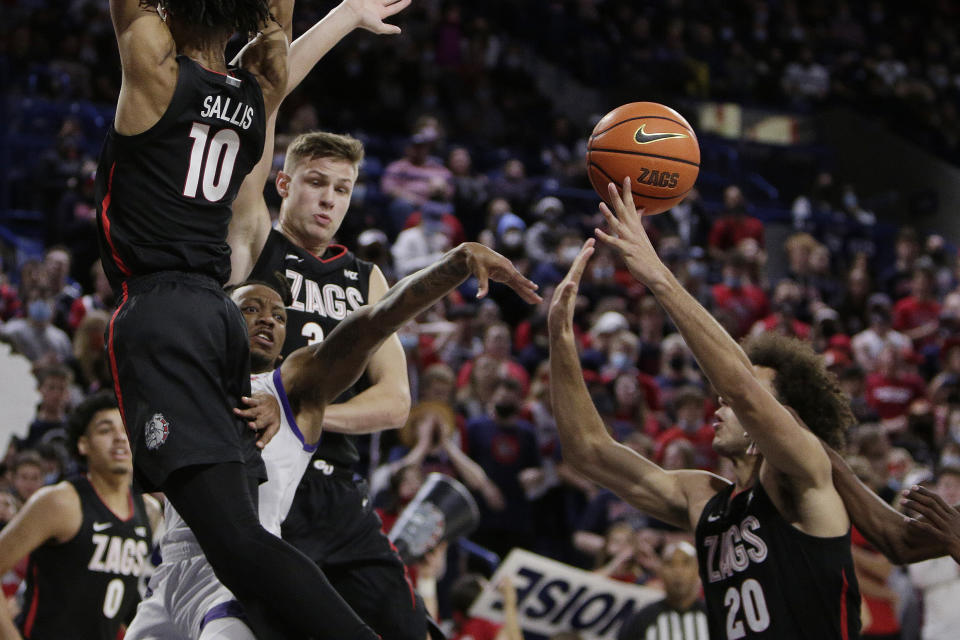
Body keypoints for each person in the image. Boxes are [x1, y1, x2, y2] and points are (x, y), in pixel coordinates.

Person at [93, 1, 399, 637]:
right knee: (239, 544)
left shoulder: (153, 71)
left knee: (237, 544)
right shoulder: (254, 88)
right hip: (217, 315)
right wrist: (342, 14)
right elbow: (278, 32)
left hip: (162, 310)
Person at [125, 242, 540, 639]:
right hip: (166, 575)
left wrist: (455, 264)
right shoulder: (193, 384)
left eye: (279, 315)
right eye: (251, 308)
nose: (268, 319)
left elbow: (374, 321)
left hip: (233, 577)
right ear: (221, 319)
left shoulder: (293, 386)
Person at [550, 178, 862, 639]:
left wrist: (656, 273)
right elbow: (588, 451)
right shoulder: (704, 499)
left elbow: (739, 387)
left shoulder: (805, 473)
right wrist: (560, 339)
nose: (722, 401)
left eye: (751, 399)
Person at [0, 392, 160, 639]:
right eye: (106, 430)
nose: (119, 438)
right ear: (83, 444)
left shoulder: (148, 511)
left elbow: (120, 600)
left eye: (125, 429)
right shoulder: (60, 502)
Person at [617, 541, 709, 640]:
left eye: (686, 563)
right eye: (669, 564)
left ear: (698, 570)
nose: (678, 571)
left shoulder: (715, 616)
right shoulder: (641, 619)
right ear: (660, 571)